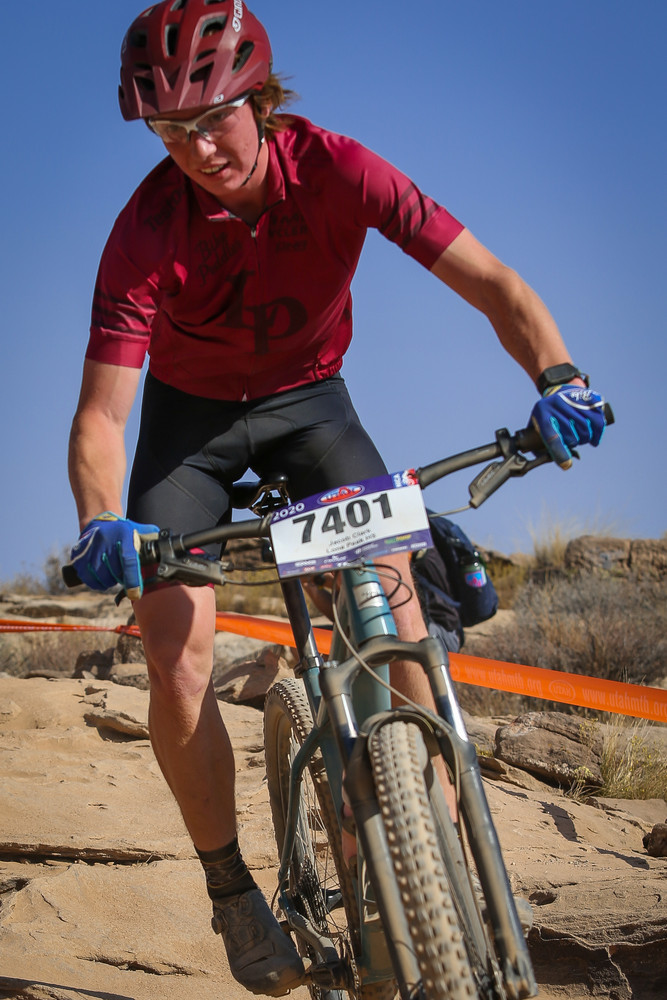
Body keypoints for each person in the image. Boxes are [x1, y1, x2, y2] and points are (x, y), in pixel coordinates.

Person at [67, 2, 608, 995]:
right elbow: (102, 414)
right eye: (170, 131)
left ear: (262, 100)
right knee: (175, 655)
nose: (196, 149)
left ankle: (443, 862)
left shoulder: (339, 170)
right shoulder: (144, 228)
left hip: (311, 407)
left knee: (399, 627)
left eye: (214, 119)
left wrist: (558, 376)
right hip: (190, 432)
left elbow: (493, 282)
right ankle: (232, 889)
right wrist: (102, 519)